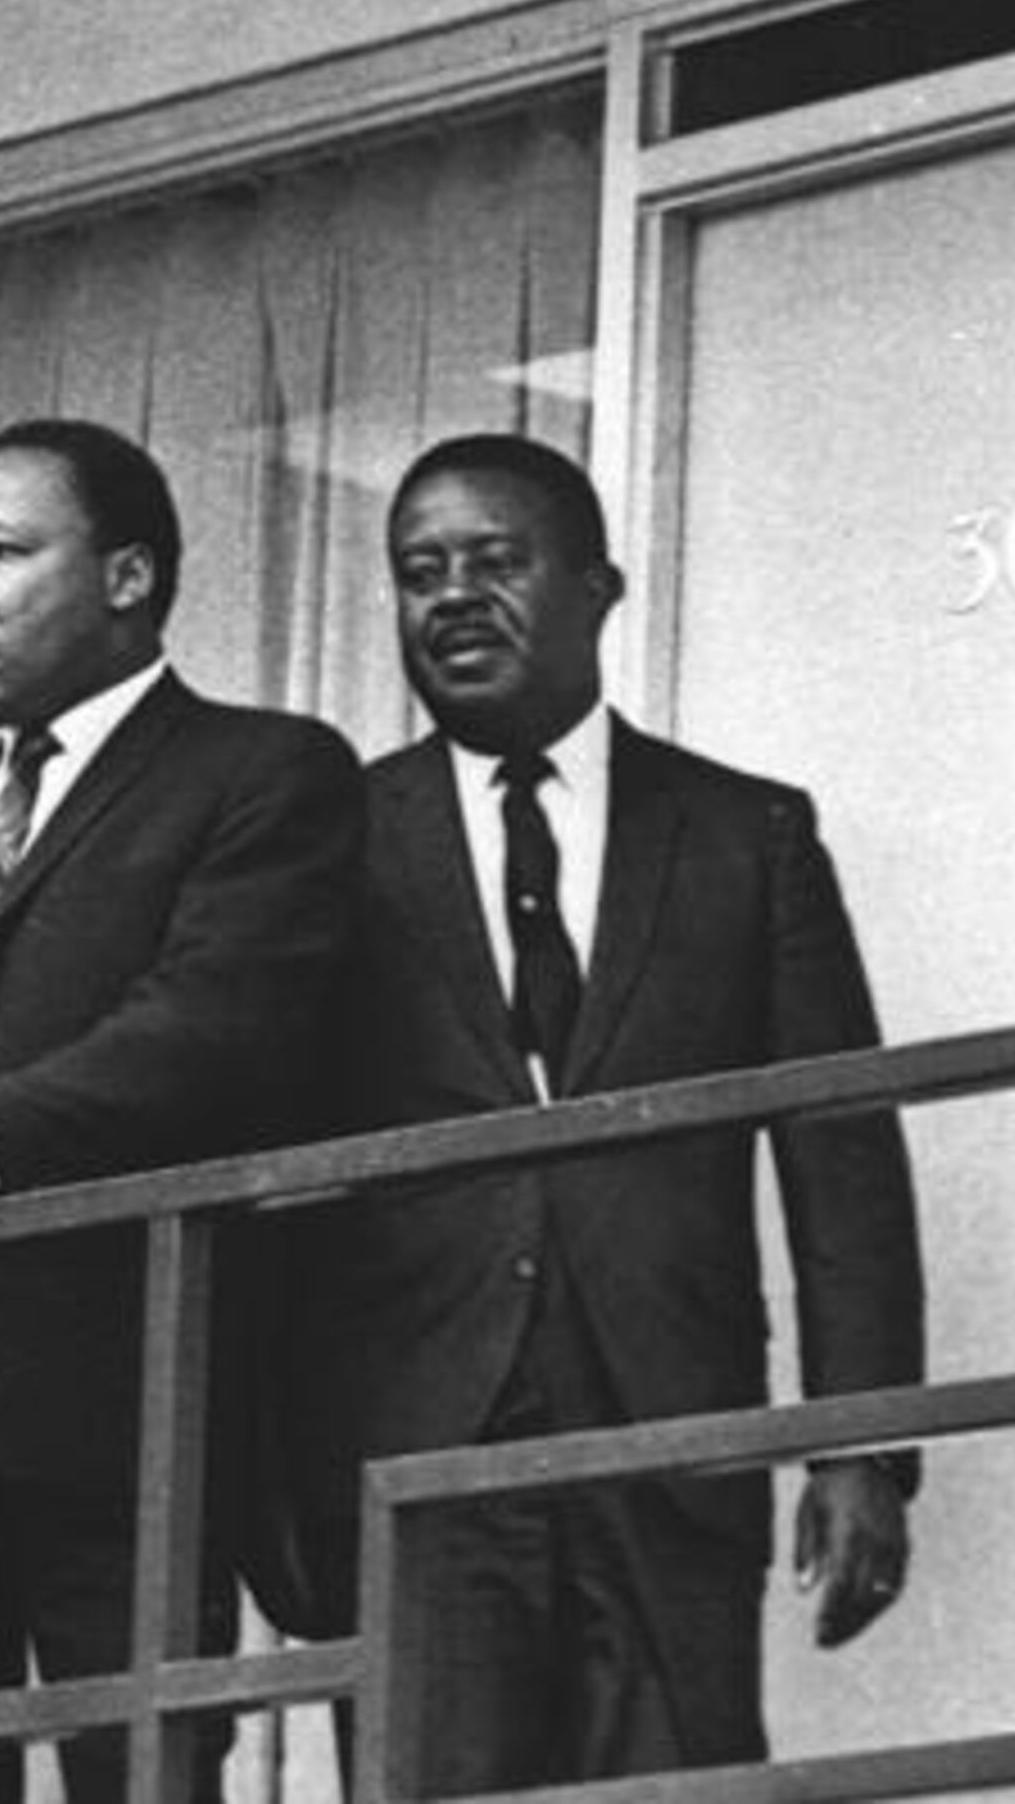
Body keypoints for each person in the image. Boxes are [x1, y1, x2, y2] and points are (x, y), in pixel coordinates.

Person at [283, 434, 923, 1792]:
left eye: (496, 561)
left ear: (598, 587)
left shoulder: (747, 835)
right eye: (419, 572)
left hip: (670, 1432)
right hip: (416, 1447)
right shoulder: (327, 840)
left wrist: (860, 1440)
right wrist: (264, 1486)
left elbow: (842, 1153)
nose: (455, 598)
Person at [0, 419, 360, 1804]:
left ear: (127, 577)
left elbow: (215, 1027)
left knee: (137, 1775)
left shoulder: (260, 771)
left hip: (120, 1401)